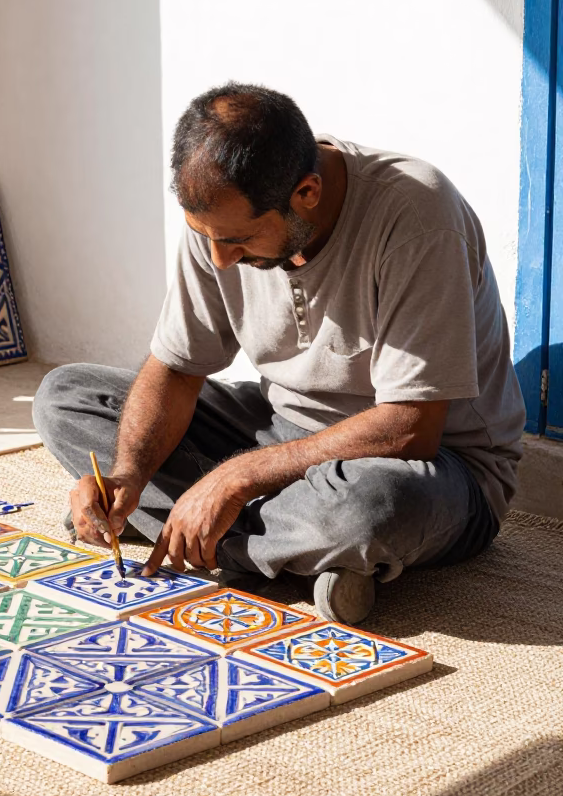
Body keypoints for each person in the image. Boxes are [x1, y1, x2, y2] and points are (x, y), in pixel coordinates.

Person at [33, 83, 526, 624]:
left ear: (306, 193)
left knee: (369, 508)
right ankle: (292, 553)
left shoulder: (417, 216)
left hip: (430, 468)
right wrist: (128, 475)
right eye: (205, 235)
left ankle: (203, 531)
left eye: (239, 240)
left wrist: (234, 479)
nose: (220, 258)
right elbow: (176, 369)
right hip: (281, 429)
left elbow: (410, 429)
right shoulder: (219, 218)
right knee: (67, 396)